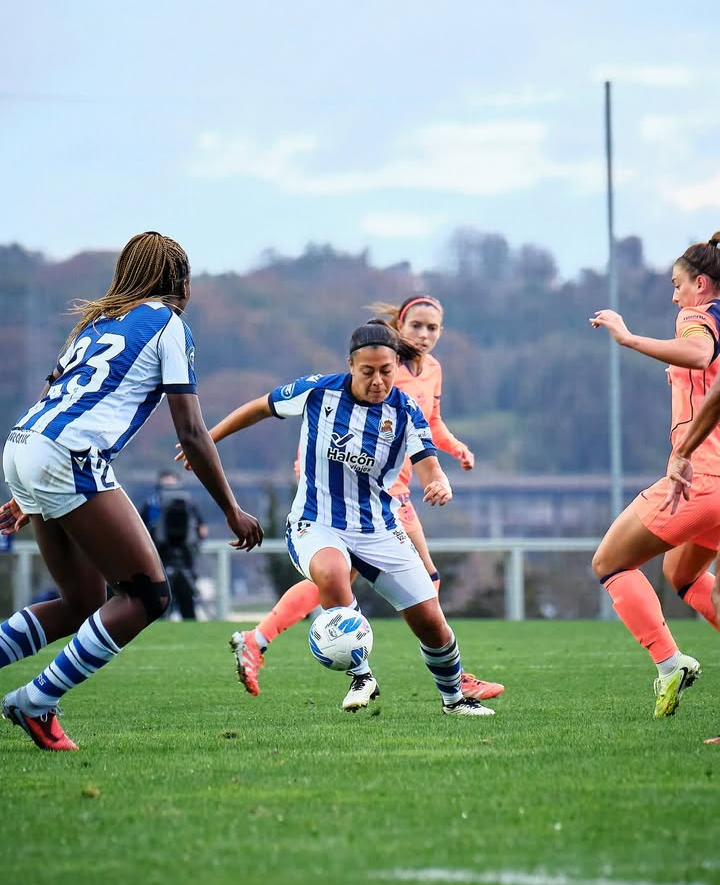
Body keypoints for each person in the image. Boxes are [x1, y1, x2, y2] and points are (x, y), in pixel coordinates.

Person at [0, 231, 263, 752]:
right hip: (70, 454)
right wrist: (231, 509)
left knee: (80, 604)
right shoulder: (169, 324)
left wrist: (29, 489)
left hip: (24, 443)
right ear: (180, 284)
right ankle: (35, 701)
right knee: (147, 594)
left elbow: (55, 392)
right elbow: (190, 430)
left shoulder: (96, 323)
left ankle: (35, 700)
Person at [180, 318, 495, 716]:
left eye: (386, 371)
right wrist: (207, 440)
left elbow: (429, 464)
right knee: (330, 572)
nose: (378, 380)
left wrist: (440, 482)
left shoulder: (405, 412)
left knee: (431, 619)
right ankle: (362, 674)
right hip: (317, 521)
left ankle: (454, 701)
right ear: (351, 366)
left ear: (397, 367)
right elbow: (259, 407)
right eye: (368, 372)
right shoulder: (318, 391)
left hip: (379, 527)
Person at [589, 231, 720, 719]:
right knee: (681, 575)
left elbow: (697, 354)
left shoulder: (697, 317)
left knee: (611, 564)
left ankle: (669, 664)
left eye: (678, 285)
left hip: (699, 482)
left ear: (701, 284)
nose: (674, 295)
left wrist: (627, 337)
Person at [140, 469, 208, 620]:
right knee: (185, 595)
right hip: (184, 554)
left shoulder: (152, 502)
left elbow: (141, 528)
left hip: (161, 554)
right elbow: (202, 530)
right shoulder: (188, 501)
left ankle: (161, 618)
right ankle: (188, 618)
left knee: (161, 592)